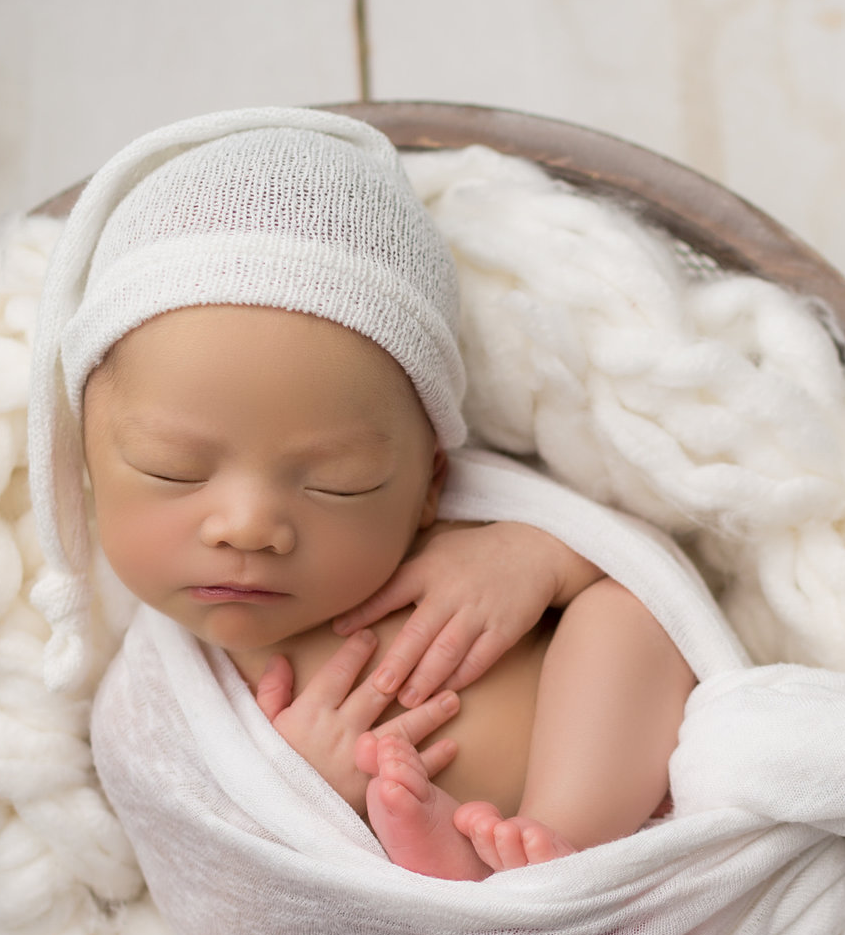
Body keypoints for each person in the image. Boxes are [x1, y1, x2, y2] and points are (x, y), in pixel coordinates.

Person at [37, 112, 695, 878]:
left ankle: (560, 847)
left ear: (428, 485)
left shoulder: (469, 534)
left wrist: (542, 557)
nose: (249, 526)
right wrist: (295, 799)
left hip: (632, 828)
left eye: (337, 482)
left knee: (632, 610)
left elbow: (662, 572)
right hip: (418, 928)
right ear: (85, 472)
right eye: (173, 469)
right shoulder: (149, 716)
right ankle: (482, 880)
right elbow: (216, 882)